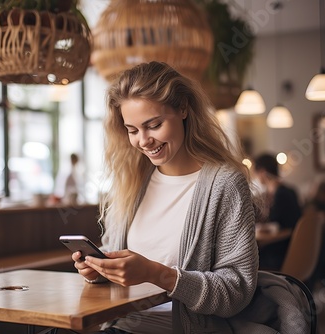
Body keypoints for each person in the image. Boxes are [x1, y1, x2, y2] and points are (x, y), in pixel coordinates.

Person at [72, 61, 259, 333]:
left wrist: (157, 274)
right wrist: (100, 271)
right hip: (122, 327)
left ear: (183, 108)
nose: (144, 141)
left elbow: (236, 291)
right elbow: (116, 263)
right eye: (133, 130)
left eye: (154, 125)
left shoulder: (225, 184)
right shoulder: (131, 181)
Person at [253, 153, 302, 270]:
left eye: (256, 173)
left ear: (263, 172)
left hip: (283, 251)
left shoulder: (280, 194)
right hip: (296, 248)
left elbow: (278, 223)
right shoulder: (289, 190)